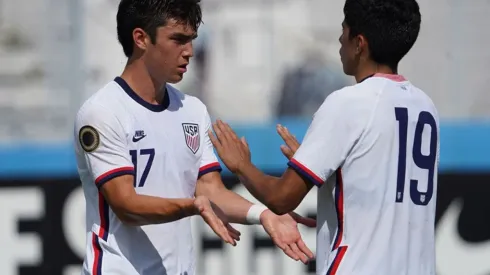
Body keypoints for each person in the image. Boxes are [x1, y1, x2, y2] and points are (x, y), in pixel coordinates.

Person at [74, 0, 315, 274]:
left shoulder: (192, 110)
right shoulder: (103, 112)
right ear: (141, 38)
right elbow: (126, 205)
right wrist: (191, 206)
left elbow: (209, 190)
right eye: (178, 39)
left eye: (192, 40)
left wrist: (264, 214)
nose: (189, 52)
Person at [209, 0, 440, 274]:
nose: (339, 38)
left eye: (344, 30)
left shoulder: (349, 102)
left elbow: (282, 198)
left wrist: (241, 166)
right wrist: (322, 166)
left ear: (359, 43)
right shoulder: (425, 106)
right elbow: (376, 185)